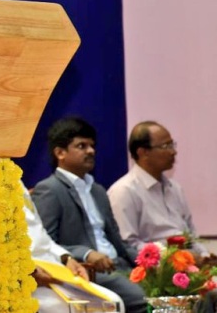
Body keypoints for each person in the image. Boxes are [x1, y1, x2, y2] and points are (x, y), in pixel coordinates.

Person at [31, 116, 147, 313]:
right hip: (90, 270)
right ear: (60, 153)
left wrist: (148, 262)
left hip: (121, 266)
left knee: (171, 288)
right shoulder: (50, 189)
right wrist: (86, 253)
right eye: (81, 146)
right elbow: (46, 243)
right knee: (145, 298)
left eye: (92, 146)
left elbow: (118, 241)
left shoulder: (98, 190)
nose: (91, 151)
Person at [108, 121, 211, 257]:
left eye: (172, 145)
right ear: (143, 152)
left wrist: (204, 256)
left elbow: (191, 234)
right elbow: (128, 245)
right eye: (165, 146)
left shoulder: (174, 188)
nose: (173, 152)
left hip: (188, 262)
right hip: (158, 266)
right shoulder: (124, 191)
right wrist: (172, 256)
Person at [21, 181, 123, 312]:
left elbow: (42, 236)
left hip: (53, 269)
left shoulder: (16, 180)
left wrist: (66, 258)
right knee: (97, 307)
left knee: (113, 302)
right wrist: (29, 271)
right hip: (28, 276)